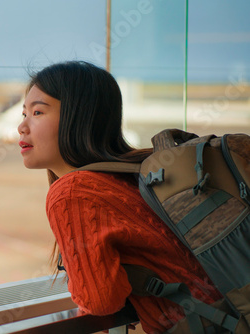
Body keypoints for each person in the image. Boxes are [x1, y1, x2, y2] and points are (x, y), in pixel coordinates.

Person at [17, 61, 222, 333]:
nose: (22, 127)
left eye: (38, 112)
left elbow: (101, 301)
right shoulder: (135, 173)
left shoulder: (73, 191)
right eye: (24, 114)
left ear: (78, 118)